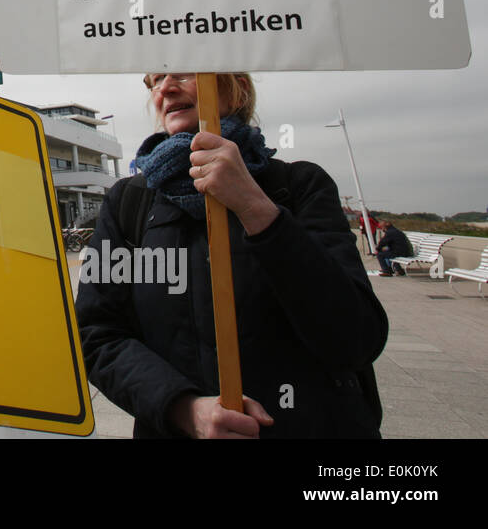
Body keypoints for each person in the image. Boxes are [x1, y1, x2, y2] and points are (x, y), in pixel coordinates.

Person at [75, 72, 388, 439]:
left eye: (185, 73)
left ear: (235, 88)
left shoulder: (299, 186)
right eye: (156, 79)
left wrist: (255, 208)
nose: (166, 88)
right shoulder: (128, 202)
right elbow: (96, 335)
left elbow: (357, 338)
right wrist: (185, 408)